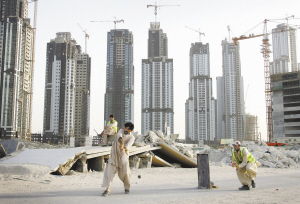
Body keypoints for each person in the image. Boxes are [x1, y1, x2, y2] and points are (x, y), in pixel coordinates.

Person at [101, 122, 135, 196]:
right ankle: (107, 189)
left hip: (123, 156)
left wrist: (124, 147)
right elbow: (119, 137)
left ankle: (127, 187)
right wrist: (121, 142)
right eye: (125, 127)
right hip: (114, 155)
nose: (125, 129)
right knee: (109, 172)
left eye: (127, 128)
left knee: (125, 173)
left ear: (130, 130)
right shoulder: (121, 131)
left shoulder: (132, 137)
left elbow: (128, 146)